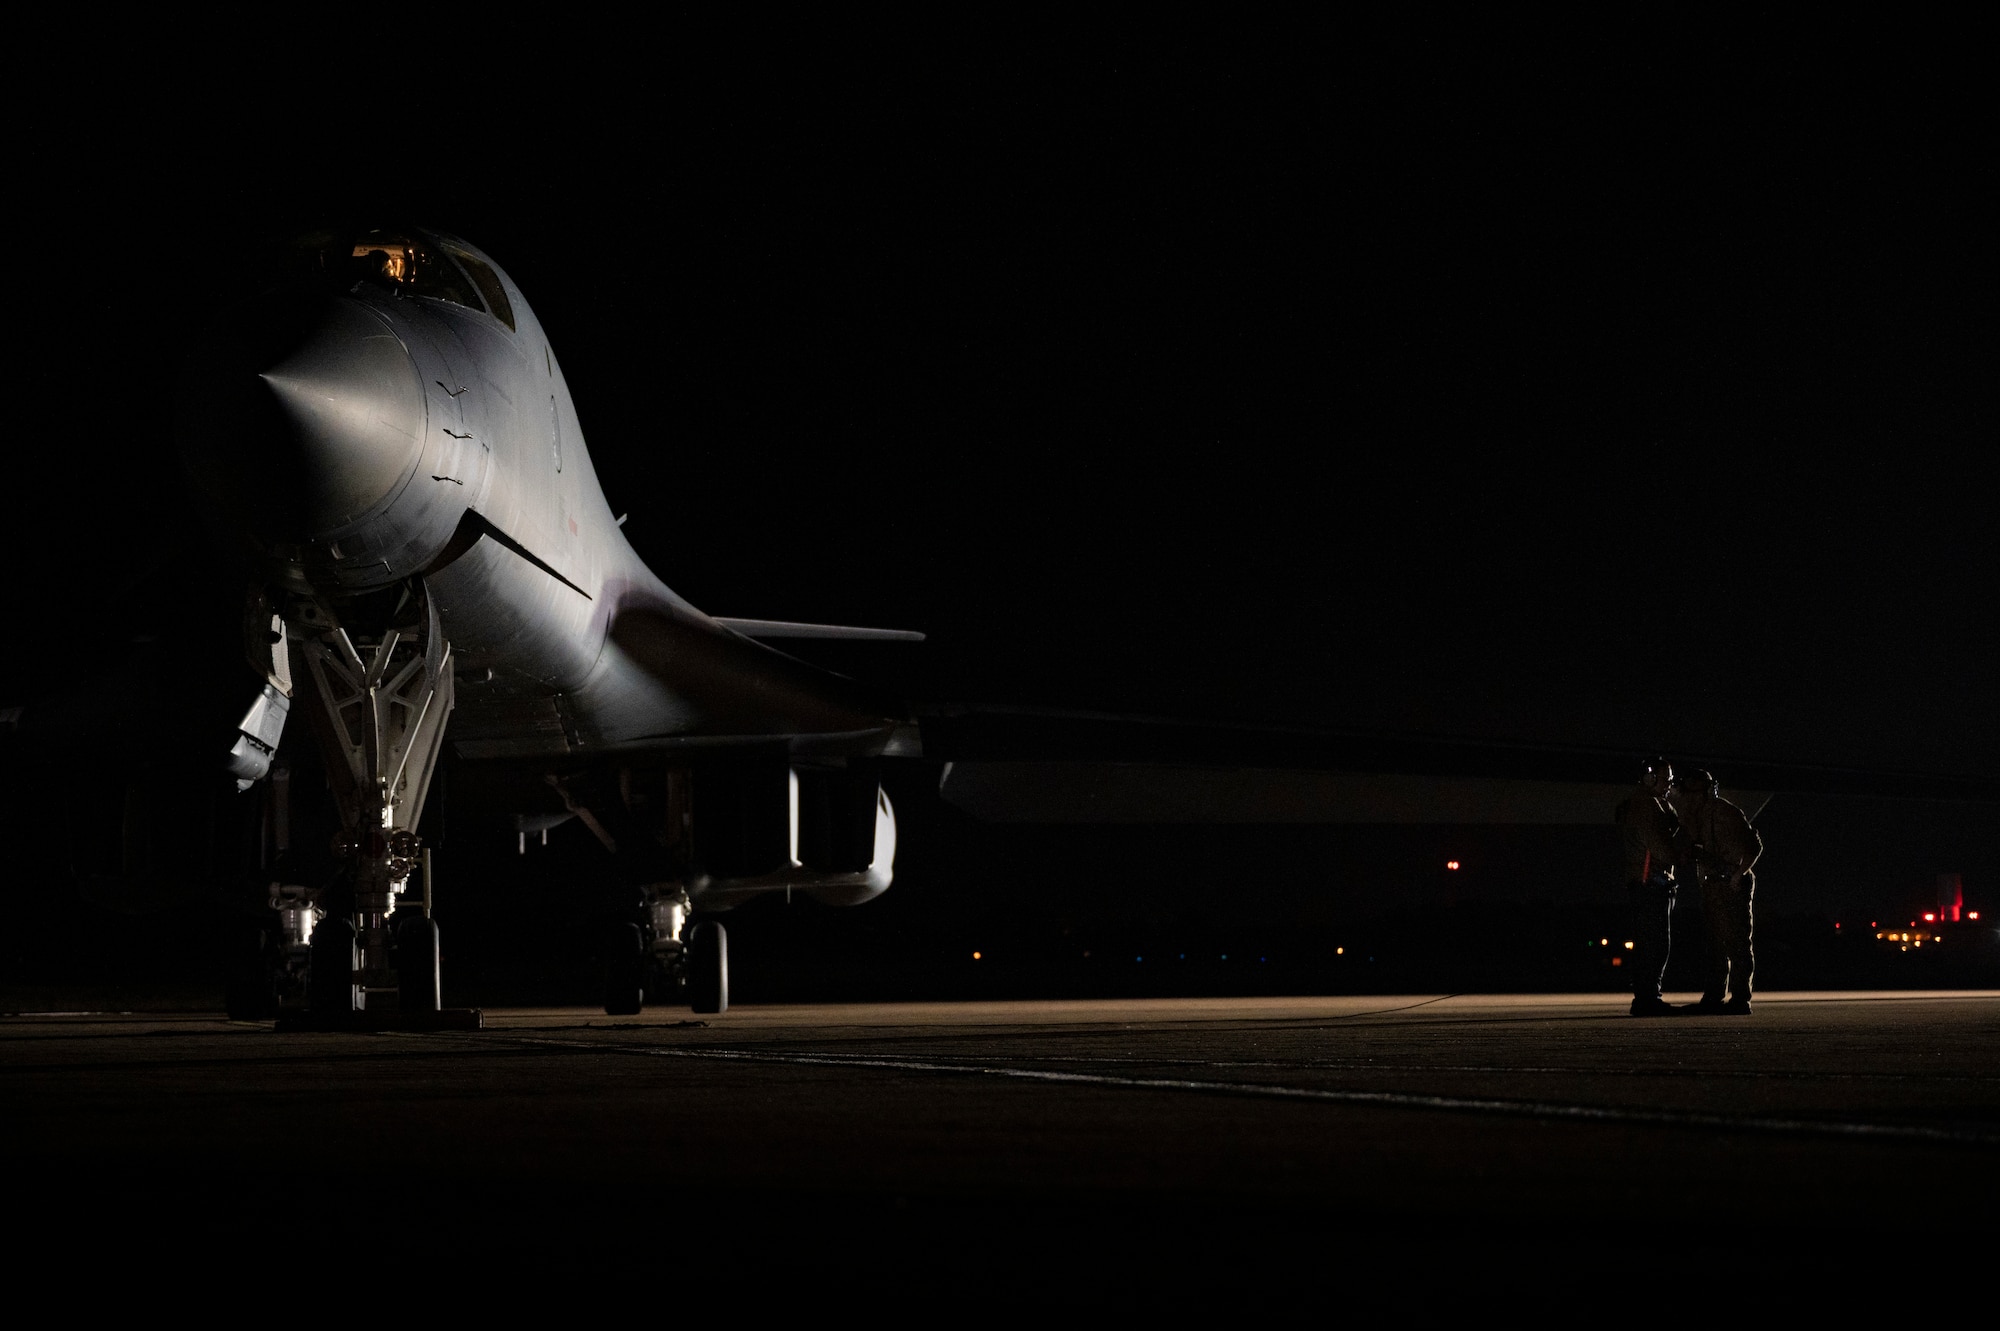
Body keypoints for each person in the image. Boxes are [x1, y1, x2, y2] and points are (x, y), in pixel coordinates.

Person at [1674, 768, 1763, 1014]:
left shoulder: (1725, 811)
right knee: (1715, 944)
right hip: (1713, 885)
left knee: (1737, 942)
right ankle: (1714, 996)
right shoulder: (1696, 817)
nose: (1688, 799)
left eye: (1693, 793)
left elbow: (1754, 845)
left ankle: (1740, 998)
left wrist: (1738, 875)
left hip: (1731, 883)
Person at [1615, 757, 1683, 1016]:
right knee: (1655, 944)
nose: (1669, 785)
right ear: (1649, 778)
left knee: (1651, 943)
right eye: (1666, 779)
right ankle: (1648, 998)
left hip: (1650, 882)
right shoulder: (1647, 806)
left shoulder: (1653, 804)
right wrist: (1682, 853)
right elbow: (1662, 848)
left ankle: (1647, 997)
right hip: (1650, 882)